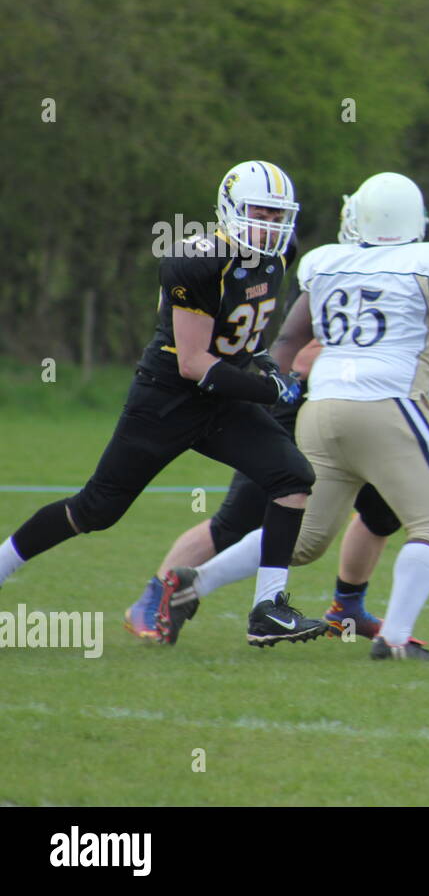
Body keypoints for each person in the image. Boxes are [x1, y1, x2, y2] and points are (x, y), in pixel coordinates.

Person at [159, 171, 429, 660]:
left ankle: (192, 583)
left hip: (321, 410)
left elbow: (285, 341)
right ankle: (394, 641)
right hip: (388, 406)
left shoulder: (328, 263)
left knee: (301, 540)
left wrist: (264, 399)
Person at [0, 161, 330, 647]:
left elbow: (243, 333)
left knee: (293, 478)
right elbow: (194, 362)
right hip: (169, 397)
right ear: (231, 209)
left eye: (279, 215)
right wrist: (269, 389)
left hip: (224, 396)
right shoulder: (195, 260)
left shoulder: (280, 255)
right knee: (96, 509)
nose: (271, 224)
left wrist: (266, 367)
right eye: (261, 211)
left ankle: (268, 609)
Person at [124, 195, 429, 644]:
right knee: (239, 523)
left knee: (380, 513)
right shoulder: (326, 270)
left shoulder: (347, 266)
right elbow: (304, 348)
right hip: (295, 411)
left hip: (353, 417)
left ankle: (346, 607)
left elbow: (387, 336)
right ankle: (156, 597)